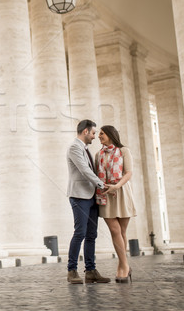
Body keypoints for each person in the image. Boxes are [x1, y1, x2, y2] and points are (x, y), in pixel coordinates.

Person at [66, 119, 111, 284]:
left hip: (91, 196)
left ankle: (91, 271)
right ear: (85, 131)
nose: (94, 137)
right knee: (80, 233)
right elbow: (84, 170)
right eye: (93, 133)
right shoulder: (74, 148)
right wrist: (101, 184)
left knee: (92, 235)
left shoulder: (85, 149)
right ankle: (72, 271)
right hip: (79, 196)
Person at [95, 125, 137, 283]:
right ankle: (125, 265)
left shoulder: (124, 151)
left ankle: (122, 265)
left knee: (122, 232)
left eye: (102, 133)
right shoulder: (97, 154)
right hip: (106, 195)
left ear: (111, 135)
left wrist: (117, 186)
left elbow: (129, 172)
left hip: (122, 192)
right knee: (115, 230)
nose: (99, 136)